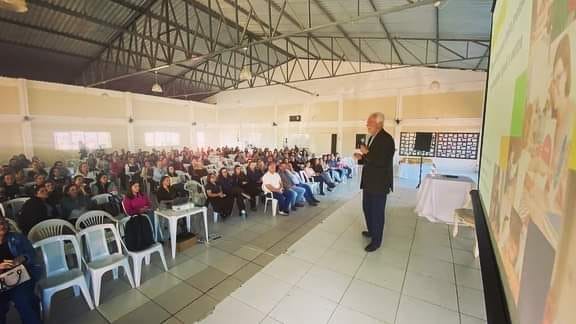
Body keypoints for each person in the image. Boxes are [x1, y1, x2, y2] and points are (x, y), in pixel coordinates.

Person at [354, 112, 395, 252]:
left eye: (369, 123)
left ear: (379, 124)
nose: (367, 126)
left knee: (377, 213)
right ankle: (371, 231)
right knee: (367, 209)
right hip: (369, 182)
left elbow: (382, 162)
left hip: (379, 183)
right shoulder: (373, 138)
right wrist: (361, 157)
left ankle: (376, 241)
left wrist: (366, 153)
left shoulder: (387, 139)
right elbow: (371, 159)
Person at [0, 217, 42, 324]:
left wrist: (22, 258)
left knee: (23, 299)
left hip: (20, 276)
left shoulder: (17, 238)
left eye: (3, 222)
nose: (2, 225)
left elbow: (32, 254)